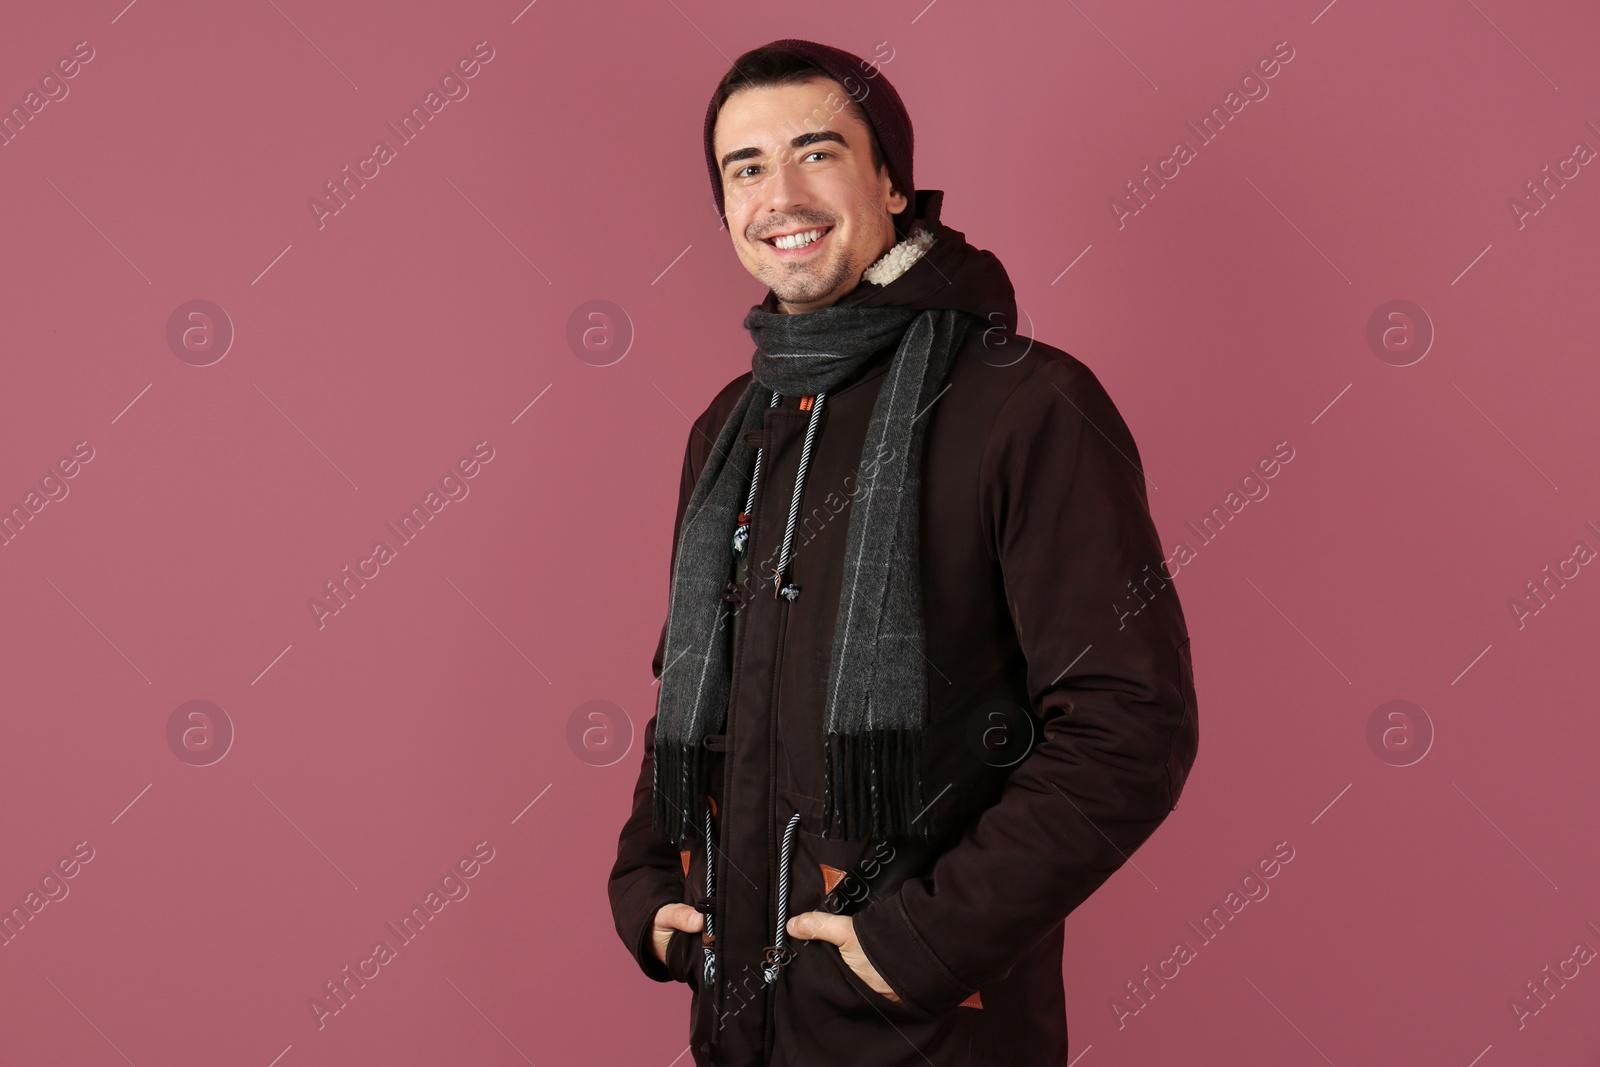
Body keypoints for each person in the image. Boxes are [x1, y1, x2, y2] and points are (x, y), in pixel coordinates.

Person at [608, 38, 1199, 1067]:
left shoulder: (1024, 402)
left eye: (816, 152)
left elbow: (1128, 726)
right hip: (736, 1024)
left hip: (928, 1029)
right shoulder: (730, 428)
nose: (779, 193)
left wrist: (919, 943)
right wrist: (649, 884)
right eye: (745, 168)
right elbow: (694, 692)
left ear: (889, 178)